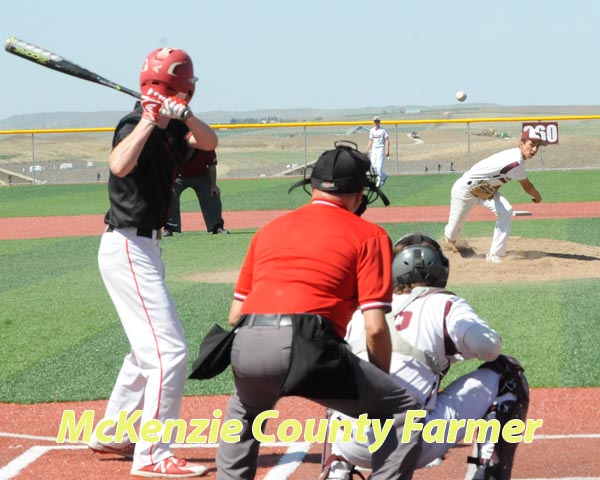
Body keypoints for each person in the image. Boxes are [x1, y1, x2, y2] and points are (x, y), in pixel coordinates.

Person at [215, 141, 421, 480]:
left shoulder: (269, 230)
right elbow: (374, 328)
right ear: (360, 193)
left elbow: (235, 315)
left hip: (246, 343)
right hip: (307, 344)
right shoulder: (369, 234)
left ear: (312, 187)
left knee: (245, 412)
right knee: (402, 411)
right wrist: (379, 380)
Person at [87, 47, 218, 478]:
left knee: (148, 352)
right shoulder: (132, 124)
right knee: (170, 352)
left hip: (145, 248)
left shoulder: (173, 130)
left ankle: (113, 430)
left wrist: (181, 117)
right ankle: (153, 453)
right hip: (126, 244)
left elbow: (210, 142)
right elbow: (119, 164)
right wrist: (147, 119)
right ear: (182, 83)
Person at [323, 232, 530, 480]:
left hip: (351, 442)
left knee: (340, 379)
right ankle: (488, 472)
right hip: (413, 443)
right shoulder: (444, 304)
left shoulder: (365, 311)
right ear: (441, 270)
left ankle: (336, 467)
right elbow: (489, 349)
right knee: (507, 372)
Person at [443, 129, 543, 263]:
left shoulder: (515, 157)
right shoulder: (516, 162)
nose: (534, 149)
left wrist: (491, 191)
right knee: (452, 233)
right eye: (532, 144)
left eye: (538, 145)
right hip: (464, 190)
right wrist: (537, 196)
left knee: (506, 211)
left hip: (485, 189)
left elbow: (498, 177)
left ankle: (496, 255)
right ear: (521, 144)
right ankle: (449, 242)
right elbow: (527, 186)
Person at [163, 148, 229, 236]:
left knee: (213, 193)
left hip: (202, 175)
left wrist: (213, 186)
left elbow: (212, 166)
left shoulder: (206, 144)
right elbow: (168, 165)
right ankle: (169, 227)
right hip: (179, 176)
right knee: (169, 194)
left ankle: (217, 226)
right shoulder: (175, 144)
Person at [366, 116, 390, 187]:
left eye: (377, 121)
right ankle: (384, 175)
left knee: (379, 166)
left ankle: (379, 180)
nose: (376, 122)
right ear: (373, 122)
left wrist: (387, 150)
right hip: (374, 149)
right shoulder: (372, 130)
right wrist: (367, 150)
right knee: (373, 166)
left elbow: (387, 140)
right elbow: (370, 140)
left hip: (381, 148)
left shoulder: (383, 130)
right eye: (375, 121)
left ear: (379, 122)